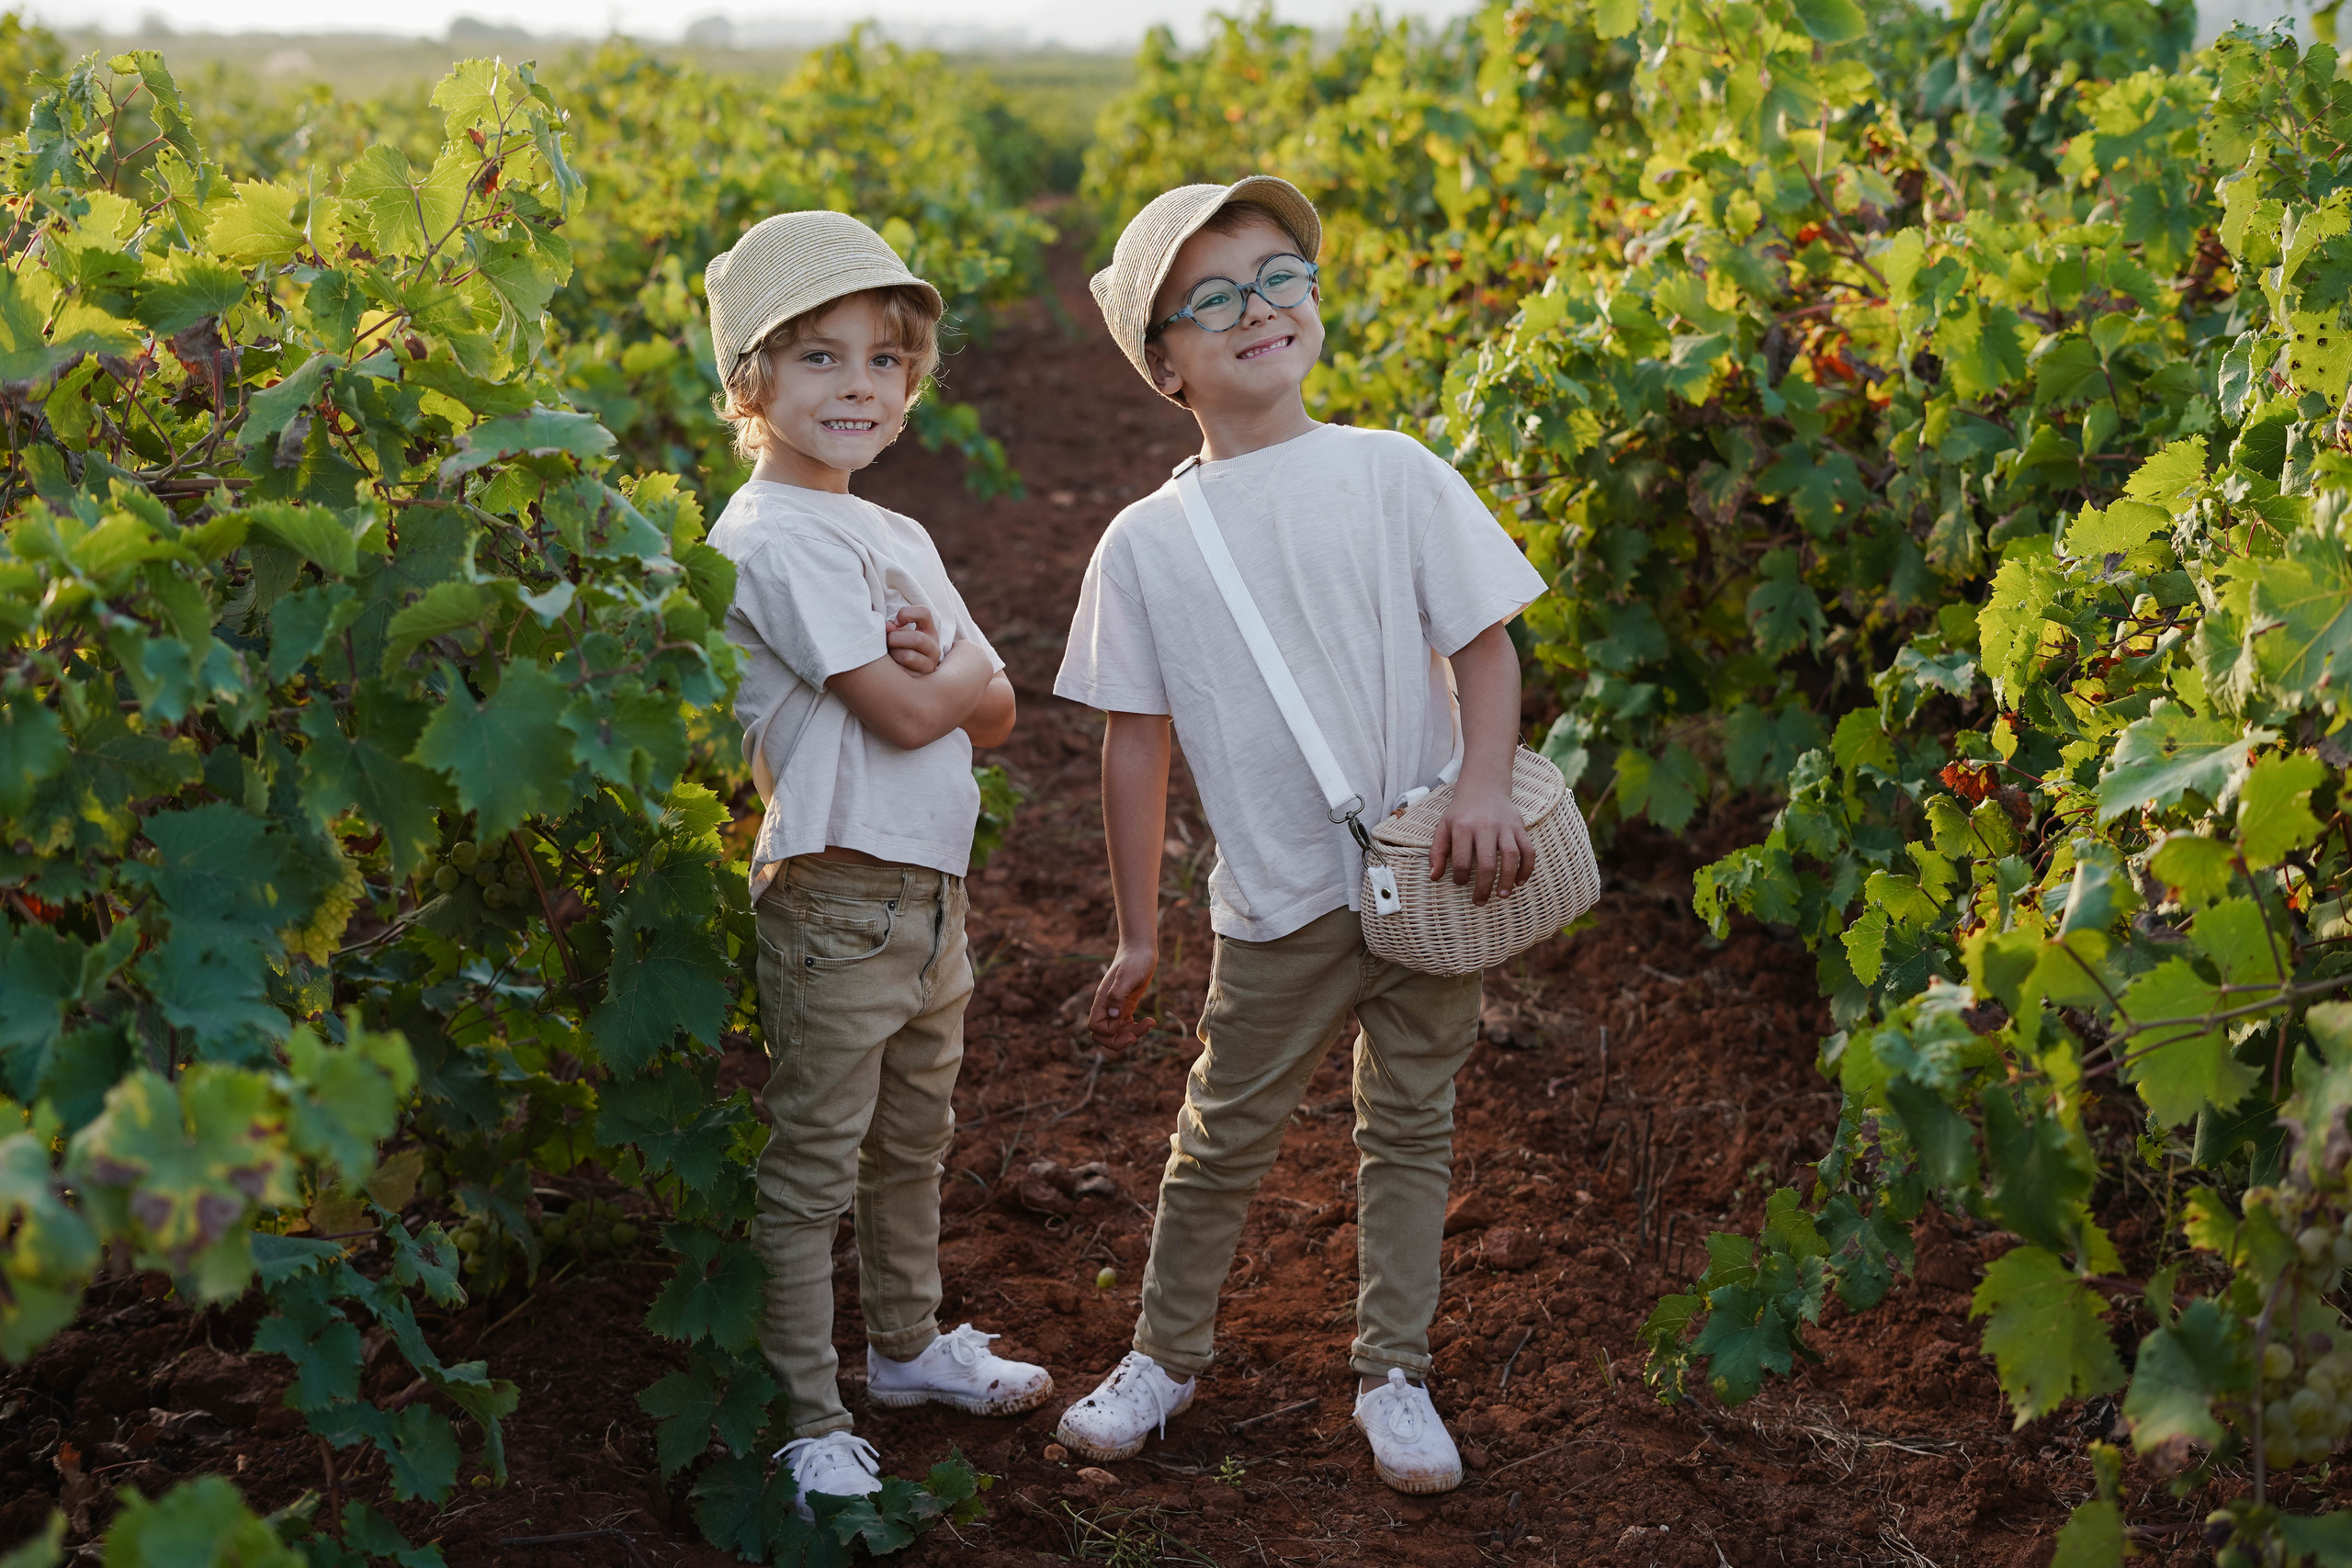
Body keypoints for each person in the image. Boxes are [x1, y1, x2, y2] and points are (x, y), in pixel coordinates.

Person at [1047, 177, 1547, 1495]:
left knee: (1412, 1126)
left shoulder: (1392, 471)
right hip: (1276, 899)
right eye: (1211, 300)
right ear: (1165, 363)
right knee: (1221, 1135)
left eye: (1279, 278)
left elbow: (1487, 650)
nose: (1257, 311)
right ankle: (1166, 1355)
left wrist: (1485, 786)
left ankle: (1395, 1374)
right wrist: (1140, 929)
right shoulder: (1145, 544)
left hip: (1431, 873)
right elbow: (1134, 746)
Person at [702, 210, 1050, 1517]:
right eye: (818, 360)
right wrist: (951, 671)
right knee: (811, 1169)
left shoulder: (895, 535)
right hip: (837, 892)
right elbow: (922, 709)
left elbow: (1003, 708)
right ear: (751, 383)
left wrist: (953, 672)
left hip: (929, 895)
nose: (858, 387)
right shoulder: (769, 537)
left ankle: (904, 1350)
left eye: (883, 362)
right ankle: (809, 1416)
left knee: (913, 1143)